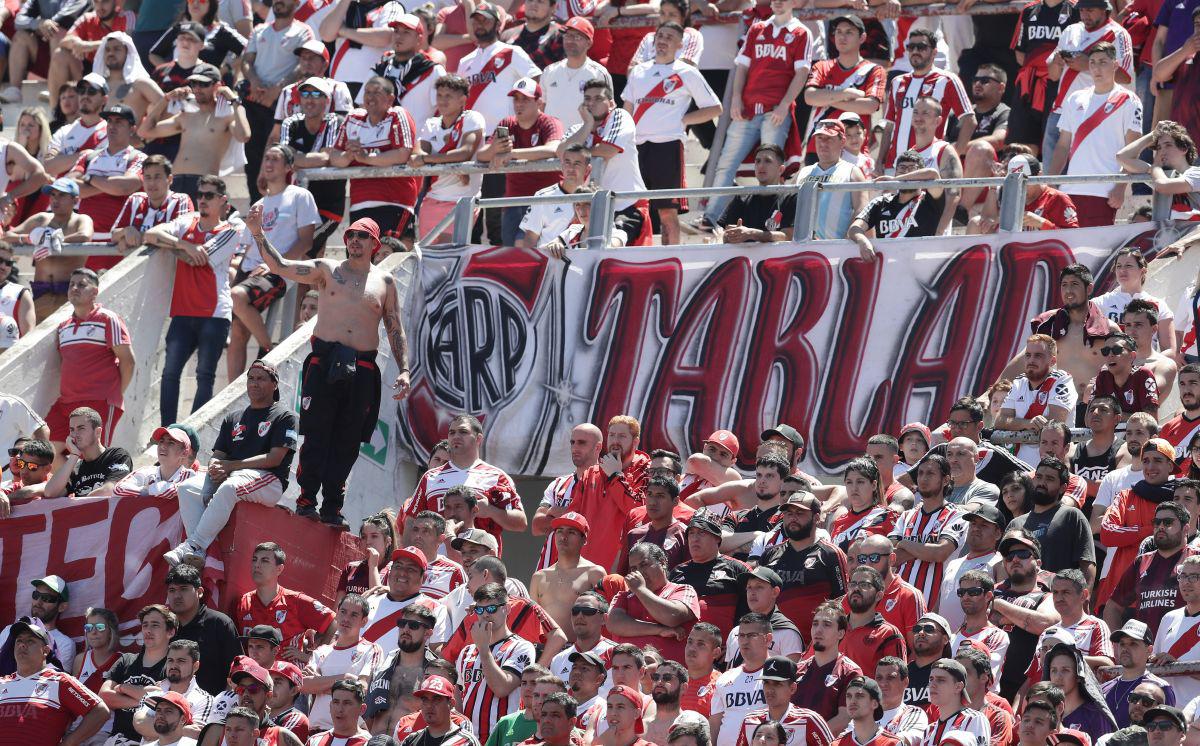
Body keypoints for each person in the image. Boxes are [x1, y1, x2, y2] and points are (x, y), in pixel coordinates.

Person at [250, 214, 412, 527]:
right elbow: (280, 266)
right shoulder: (327, 269)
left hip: (362, 368)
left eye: (362, 236)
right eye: (351, 235)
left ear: (374, 244)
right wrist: (258, 233)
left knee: (348, 440)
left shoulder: (385, 282)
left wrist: (404, 369)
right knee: (316, 435)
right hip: (324, 363)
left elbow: (395, 327)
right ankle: (307, 500)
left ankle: (332, 507)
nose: (355, 240)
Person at [163, 363, 299, 566]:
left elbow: (274, 458)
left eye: (261, 378)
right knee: (187, 488)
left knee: (230, 487)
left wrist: (230, 467)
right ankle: (200, 552)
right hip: (233, 474)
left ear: (275, 384)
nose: (254, 383)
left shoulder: (284, 416)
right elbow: (218, 454)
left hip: (269, 480)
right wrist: (216, 467)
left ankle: (193, 545)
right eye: (251, 378)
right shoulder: (233, 417)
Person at [700, 0, 810, 229]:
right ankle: (711, 217)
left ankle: (770, 221)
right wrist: (736, 98)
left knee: (772, 168)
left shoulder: (801, 32)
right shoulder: (757, 28)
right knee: (725, 164)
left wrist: (784, 104)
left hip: (775, 111)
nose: (778, 2)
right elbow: (742, 66)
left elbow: (802, 72)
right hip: (748, 110)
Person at [140, 175, 240, 425]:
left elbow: (198, 259)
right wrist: (184, 244)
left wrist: (176, 247)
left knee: (204, 376)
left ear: (222, 200)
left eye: (209, 196)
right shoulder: (187, 221)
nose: (203, 200)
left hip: (214, 314)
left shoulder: (230, 231)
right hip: (183, 311)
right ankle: (167, 431)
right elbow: (150, 234)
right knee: (170, 373)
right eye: (200, 195)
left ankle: (191, 431)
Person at [620, 21, 720, 245]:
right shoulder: (638, 71)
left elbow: (715, 108)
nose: (663, 41)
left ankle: (671, 257)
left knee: (667, 211)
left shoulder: (687, 72)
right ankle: (635, 256)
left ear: (680, 45)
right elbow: (628, 108)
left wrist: (684, 120)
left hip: (668, 146)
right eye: (660, 36)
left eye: (669, 37)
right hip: (636, 148)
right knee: (634, 209)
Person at [229, 146, 319, 379]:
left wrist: (275, 264)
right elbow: (247, 246)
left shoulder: (300, 196)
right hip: (250, 269)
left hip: (278, 270)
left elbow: (306, 242)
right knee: (237, 331)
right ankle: (230, 389)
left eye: (275, 159)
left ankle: (269, 350)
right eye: (266, 158)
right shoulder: (258, 203)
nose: (268, 163)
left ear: (289, 167)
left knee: (236, 296)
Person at [40, 265, 132, 460]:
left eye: (81, 285)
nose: (74, 288)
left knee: (93, 459)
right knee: (43, 452)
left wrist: (113, 395)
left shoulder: (108, 319)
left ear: (95, 292)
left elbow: (128, 361)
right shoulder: (63, 327)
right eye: (71, 284)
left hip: (99, 402)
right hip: (66, 403)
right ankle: (71, 479)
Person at [1049, 42, 1142, 226]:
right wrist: (1051, 182)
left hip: (1104, 192)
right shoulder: (1075, 98)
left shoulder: (1129, 100)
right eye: (1092, 62)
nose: (1097, 68)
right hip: (1069, 190)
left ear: (1115, 65)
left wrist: (1120, 187)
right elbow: (1062, 145)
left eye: (1103, 62)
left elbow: (1133, 149)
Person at [403, 415, 524, 551]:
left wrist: (491, 511)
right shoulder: (430, 477)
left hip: (479, 562)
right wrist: (408, 557)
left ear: (478, 438)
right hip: (435, 563)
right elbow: (411, 521)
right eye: (452, 432)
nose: (456, 436)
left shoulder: (497, 476)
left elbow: (521, 523)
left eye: (463, 432)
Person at [137, 63, 252, 204]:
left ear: (217, 86)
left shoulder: (226, 116)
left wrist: (234, 101)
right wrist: (166, 99)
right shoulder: (186, 115)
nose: (197, 88)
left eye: (203, 84)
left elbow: (244, 136)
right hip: (176, 180)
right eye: (194, 83)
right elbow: (145, 131)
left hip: (204, 184)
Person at [558, 78, 650, 247]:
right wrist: (588, 124)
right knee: (573, 251)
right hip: (588, 209)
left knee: (610, 247)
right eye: (587, 99)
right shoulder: (578, 129)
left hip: (626, 205)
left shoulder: (620, 116)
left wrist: (579, 154)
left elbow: (608, 150)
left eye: (598, 99)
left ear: (611, 103)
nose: (592, 103)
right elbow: (562, 153)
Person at [473, 78, 563, 247]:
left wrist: (512, 154)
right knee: (511, 252)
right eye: (516, 99)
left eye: (525, 99)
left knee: (527, 248)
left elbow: (553, 148)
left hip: (546, 203)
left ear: (539, 102)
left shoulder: (549, 122)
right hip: (514, 202)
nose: (519, 104)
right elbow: (481, 155)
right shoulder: (507, 123)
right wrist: (494, 149)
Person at [239, 0, 313, 203]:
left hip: (282, 105)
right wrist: (254, 81)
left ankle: (280, 204)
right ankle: (257, 205)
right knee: (252, 158)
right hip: (254, 101)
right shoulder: (259, 29)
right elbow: (246, 61)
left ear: (296, 3)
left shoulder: (303, 31)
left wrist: (278, 89)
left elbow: (303, 64)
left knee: (278, 156)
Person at [877, 29, 974, 174]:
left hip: (928, 166)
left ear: (934, 52)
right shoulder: (897, 82)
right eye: (911, 47)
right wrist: (879, 160)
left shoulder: (947, 80)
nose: (915, 51)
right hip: (894, 166)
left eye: (921, 47)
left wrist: (951, 156)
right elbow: (890, 126)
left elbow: (969, 120)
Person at [1099, 439, 1180, 606]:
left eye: (1157, 460)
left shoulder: (1182, 498)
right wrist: (1152, 531)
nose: (1150, 466)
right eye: (1146, 461)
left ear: (1170, 466)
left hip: (1168, 593)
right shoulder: (1126, 496)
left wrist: (1131, 533)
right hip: (1123, 595)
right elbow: (1107, 533)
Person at [0, 619, 109, 744]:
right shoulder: (2, 683)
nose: (22, 645)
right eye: (19, 640)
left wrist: (68, 743)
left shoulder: (60, 681)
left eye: (30, 641)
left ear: (45, 651)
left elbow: (100, 711)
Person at [456, 583, 537, 743]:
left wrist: (483, 649)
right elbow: (459, 695)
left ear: (506, 609)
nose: (485, 614)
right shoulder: (467, 651)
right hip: (468, 739)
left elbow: (502, 688)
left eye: (491, 608)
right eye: (480, 610)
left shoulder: (521, 647)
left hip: (502, 738)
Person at [411, 74, 486, 243]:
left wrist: (427, 159)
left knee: (448, 254)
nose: (442, 101)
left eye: (448, 96)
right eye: (439, 95)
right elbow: (417, 155)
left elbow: (465, 152)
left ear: (462, 100)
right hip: (431, 199)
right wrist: (453, 164)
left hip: (461, 201)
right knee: (427, 255)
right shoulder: (431, 123)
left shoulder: (472, 118)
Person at [1107, 502, 1197, 638]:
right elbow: (1113, 607)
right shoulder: (1141, 562)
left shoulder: (1196, 558)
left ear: (1186, 529)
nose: (1161, 527)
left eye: (1168, 522)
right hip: (1146, 649)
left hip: (1185, 647)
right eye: (1157, 522)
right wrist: (1117, 644)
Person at [888, 455, 966, 608]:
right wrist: (926, 550)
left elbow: (940, 553)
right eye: (920, 473)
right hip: (897, 603)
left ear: (946, 480)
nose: (923, 478)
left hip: (934, 605)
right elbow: (890, 556)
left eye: (930, 473)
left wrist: (904, 543)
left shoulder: (956, 516)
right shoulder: (906, 516)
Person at [802, 14, 884, 156]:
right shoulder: (821, 66)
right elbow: (809, 97)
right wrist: (845, 94)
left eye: (849, 32)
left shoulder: (874, 70)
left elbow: (869, 106)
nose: (842, 37)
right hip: (818, 148)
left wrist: (826, 99)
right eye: (838, 32)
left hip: (854, 151)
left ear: (862, 38)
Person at [608, 541, 700, 663]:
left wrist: (641, 590)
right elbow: (614, 624)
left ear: (662, 562)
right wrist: (659, 629)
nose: (639, 572)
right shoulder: (624, 596)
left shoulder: (683, 590)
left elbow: (672, 617)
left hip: (668, 672)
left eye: (644, 564)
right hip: (627, 671)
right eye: (634, 568)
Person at [301, 594, 382, 732]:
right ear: (337, 613)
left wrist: (319, 683)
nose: (346, 619)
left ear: (364, 621)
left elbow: (361, 689)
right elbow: (303, 685)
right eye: (343, 612)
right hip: (316, 732)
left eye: (354, 615)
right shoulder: (321, 651)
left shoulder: (372, 649)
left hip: (350, 734)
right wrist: (344, 678)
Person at [847, 151, 947, 262]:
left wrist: (895, 180)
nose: (906, 171)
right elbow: (854, 228)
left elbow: (933, 174)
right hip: (887, 267)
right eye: (902, 168)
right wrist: (862, 241)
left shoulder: (929, 200)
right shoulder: (881, 202)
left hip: (921, 267)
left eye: (912, 168)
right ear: (895, 172)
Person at [994, 335, 1078, 466]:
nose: (1031, 360)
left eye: (1038, 356)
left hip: (1051, 467)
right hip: (1017, 466)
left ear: (1052, 361)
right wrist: (1027, 424)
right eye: (1028, 355)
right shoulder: (1019, 382)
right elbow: (1000, 421)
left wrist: (1015, 424)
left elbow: (1055, 423)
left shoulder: (1062, 380)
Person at [99, 605, 177, 745]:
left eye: (155, 625)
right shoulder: (126, 660)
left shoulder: (173, 668)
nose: (148, 630)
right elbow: (104, 696)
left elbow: (167, 704)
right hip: (117, 740)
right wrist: (148, 700)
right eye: (145, 625)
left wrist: (123, 688)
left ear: (170, 632)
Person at [1009, 456, 1095, 580]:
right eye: (1038, 477)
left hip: (1058, 591)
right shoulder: (1015, 524)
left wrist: (1085, 592)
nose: (1041, 483)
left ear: (1063, 488)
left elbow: (1087, 564)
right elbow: (1004, 566)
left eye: (1049, 479)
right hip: (1020, 592)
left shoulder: (1072, 516)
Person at [531, 423, 602, 572]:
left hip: (586, 573)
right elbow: (537, 526)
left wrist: (560, 513)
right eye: (572, 442)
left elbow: (598, 527)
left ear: (598, 447)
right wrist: (577, 517)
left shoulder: (607, 485)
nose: (575, 448)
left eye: (581, 443)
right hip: (548, 571)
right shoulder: (558, 484)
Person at [163, 564, 241, 697]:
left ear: (199, 592)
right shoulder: (163, 626)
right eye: (172, 590)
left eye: (183, 589)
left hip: (212, 706)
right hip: (166, 704)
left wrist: (222, 705)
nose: (177, 595)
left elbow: (237, 672)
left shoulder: (219, 624)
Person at [49, 0, 135, 111]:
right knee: (60, 54)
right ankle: (56, 114)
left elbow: (127, 43)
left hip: (118, 71)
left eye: (105, 2)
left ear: (116, 2)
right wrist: (78, 44)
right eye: (96, 2)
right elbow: (65, 41)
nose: (100, 6)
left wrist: (87, 46)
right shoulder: (87, 18)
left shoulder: (127, 16)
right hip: (90, 71)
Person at [531, 514, 606, 637]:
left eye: (571, 532)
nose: (563, 537)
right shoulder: (538, 577)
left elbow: (604, 619)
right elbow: (532, 621)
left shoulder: (594, 573)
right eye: (559, 531)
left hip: (580, 648)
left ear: (584, 539)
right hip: (544, 647)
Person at [847, 534, 928, 646]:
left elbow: (918, 649)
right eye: (863, 559)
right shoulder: (854, 594)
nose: (868, 564)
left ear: (891, 559)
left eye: (874, 557)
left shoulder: (909, 595)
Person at [794, 602, 861, 733]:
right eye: (815, 624)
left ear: (841, 633)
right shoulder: (796, 669)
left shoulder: (850, 672)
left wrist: (809, 738)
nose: (818, 630)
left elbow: (844, 718)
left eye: (827, 624)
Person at [794, 120, 867, 241]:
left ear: (842, 141)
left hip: (837, 247)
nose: (823, 143)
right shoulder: (803, 172)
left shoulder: (853, 172)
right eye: (819, 138)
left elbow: (862, 211)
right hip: (802, 246)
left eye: (829, 138)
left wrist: (844, 242)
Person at [368, 14, 445, 128]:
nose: (399, 36)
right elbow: (364, 107)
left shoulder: (433, 71)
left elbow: (446, 111)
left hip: (418, 138)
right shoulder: (379, 69)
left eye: (406, 32)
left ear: (419, 39)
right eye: (396, 31)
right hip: (379, 137)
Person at [38, 406, 132, 498]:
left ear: (97, 432)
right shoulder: (76, 468)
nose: (75, 434)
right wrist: (74, 455)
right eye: (72, 430)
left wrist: (78, 503)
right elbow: (50, 493)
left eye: (81, 428)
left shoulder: (117, 455)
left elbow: (108, 491)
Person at [110, 154, 194, 256]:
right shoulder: (135, 199)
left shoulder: (181, 200)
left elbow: (182, 238)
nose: (152, 183)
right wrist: (125, 231)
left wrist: (132, 237)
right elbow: (113, 235)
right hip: (134, 265)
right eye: (148, 177)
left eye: (157, 177)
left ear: (170, 179)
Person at [710, 613, 772, 746]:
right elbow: (715, 724)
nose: (745, 641)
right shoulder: (725, 678)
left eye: (751, 635)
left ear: (768, 639)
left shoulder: (779, 677)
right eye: (741, 636)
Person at [1102, 620, 1177, 728]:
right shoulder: (1104, 688)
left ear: (1149, 650)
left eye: (1133, 643)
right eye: (1122, 644)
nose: (1125, 648)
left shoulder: (1160, 688)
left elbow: (1167, 731)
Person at [540, 17, 611, 126]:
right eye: (567, 36)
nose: (570, 41)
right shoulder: (549, 71)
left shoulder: (599, 74)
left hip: (584, 136)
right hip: (553, 136)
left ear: (589, 43)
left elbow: (607, 111)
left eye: (577, 37)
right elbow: (541, 107)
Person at [1042, 643, 1118, 735]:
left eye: (1065, 670)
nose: (1058, 677)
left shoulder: (1095, 715)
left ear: (1079, 676)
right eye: (1054, 670)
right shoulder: (1045, 715)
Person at [949, 571, 1009, 686]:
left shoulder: (996, 636)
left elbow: (986, 678)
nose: (965, 597)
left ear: (988, 596)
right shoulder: (952, 637)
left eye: (973, 592)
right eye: (961, 592)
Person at [0, 576, 76, 664]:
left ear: (62, 607)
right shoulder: (10, 630)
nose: (38, 602)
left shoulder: (64, 644)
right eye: (36, 595)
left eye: (47, 598)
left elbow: (57, 673)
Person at [92, 32, 163, 124]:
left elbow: (169, 109)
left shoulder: (141, 84)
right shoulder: (95, 86)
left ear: (128, 53)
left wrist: (149, 130)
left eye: (116, 49)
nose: (111, 53)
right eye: (107, 50)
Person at [112, 425, 196, 498]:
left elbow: (174, 490)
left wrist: (146, 490)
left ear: (184, 453)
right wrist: (145, 491)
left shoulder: (189, 476)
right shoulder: (147, 471)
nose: (163, 446)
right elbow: (118, 489)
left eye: (171, 443)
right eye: (161, 441)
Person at [920, 659, 991, 745]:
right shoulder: (928, 730)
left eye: (941, 680)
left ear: (958, 687)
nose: (932, 685)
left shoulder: (974, 719)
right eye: (931, 679)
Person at [398, 674, 480, 746]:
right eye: (425, 699)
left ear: (451, 704)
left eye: (436, 699)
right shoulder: (410, 740)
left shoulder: (467, 742)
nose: (429, 705)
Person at [874, 658, 928, 746]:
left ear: (905, 682)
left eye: (890, 678)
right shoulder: (863, 713)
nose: (883, 684)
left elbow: (899, 743)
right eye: (879, 678)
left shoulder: (913, 713)